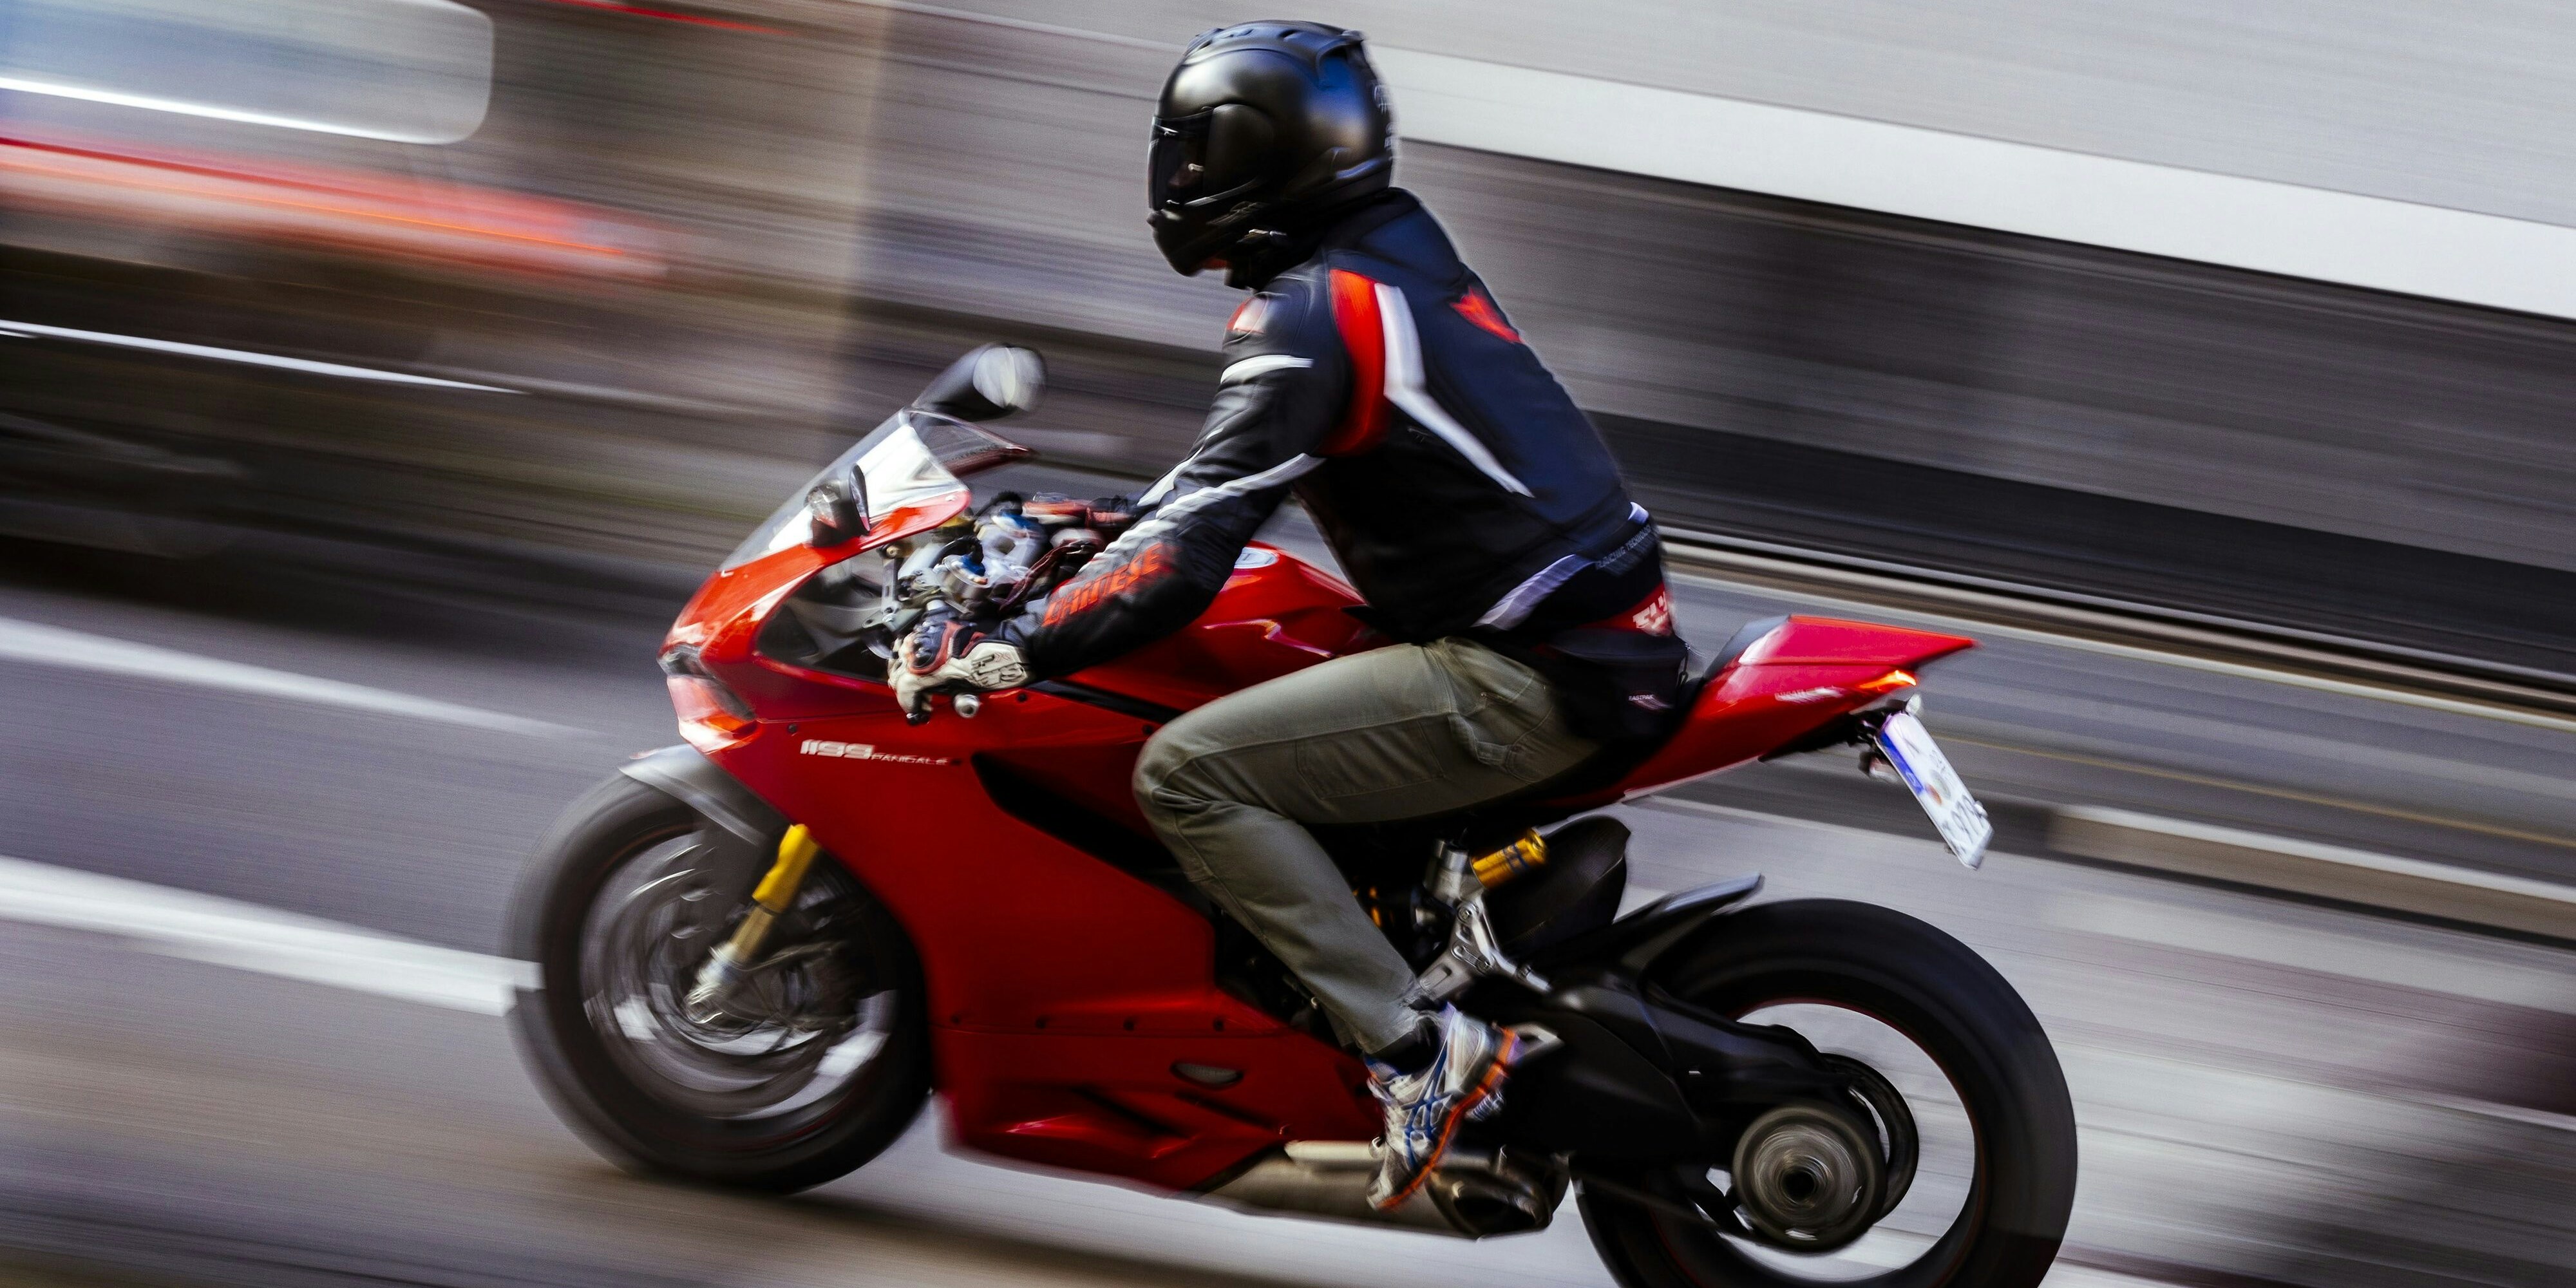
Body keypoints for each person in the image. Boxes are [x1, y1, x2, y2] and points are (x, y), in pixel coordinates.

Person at [894, 19, 1689, 1210]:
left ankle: (1421, 1054)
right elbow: (1211, 485)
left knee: (1188, 776)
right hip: (1590, 633)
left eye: (1193, 151)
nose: (1177, 178)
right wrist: (1075, 531)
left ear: (1251, 159)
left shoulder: (1313, 317)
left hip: (1530, 674)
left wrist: (1010, 644)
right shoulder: (1386, 258)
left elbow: (1185, 555)